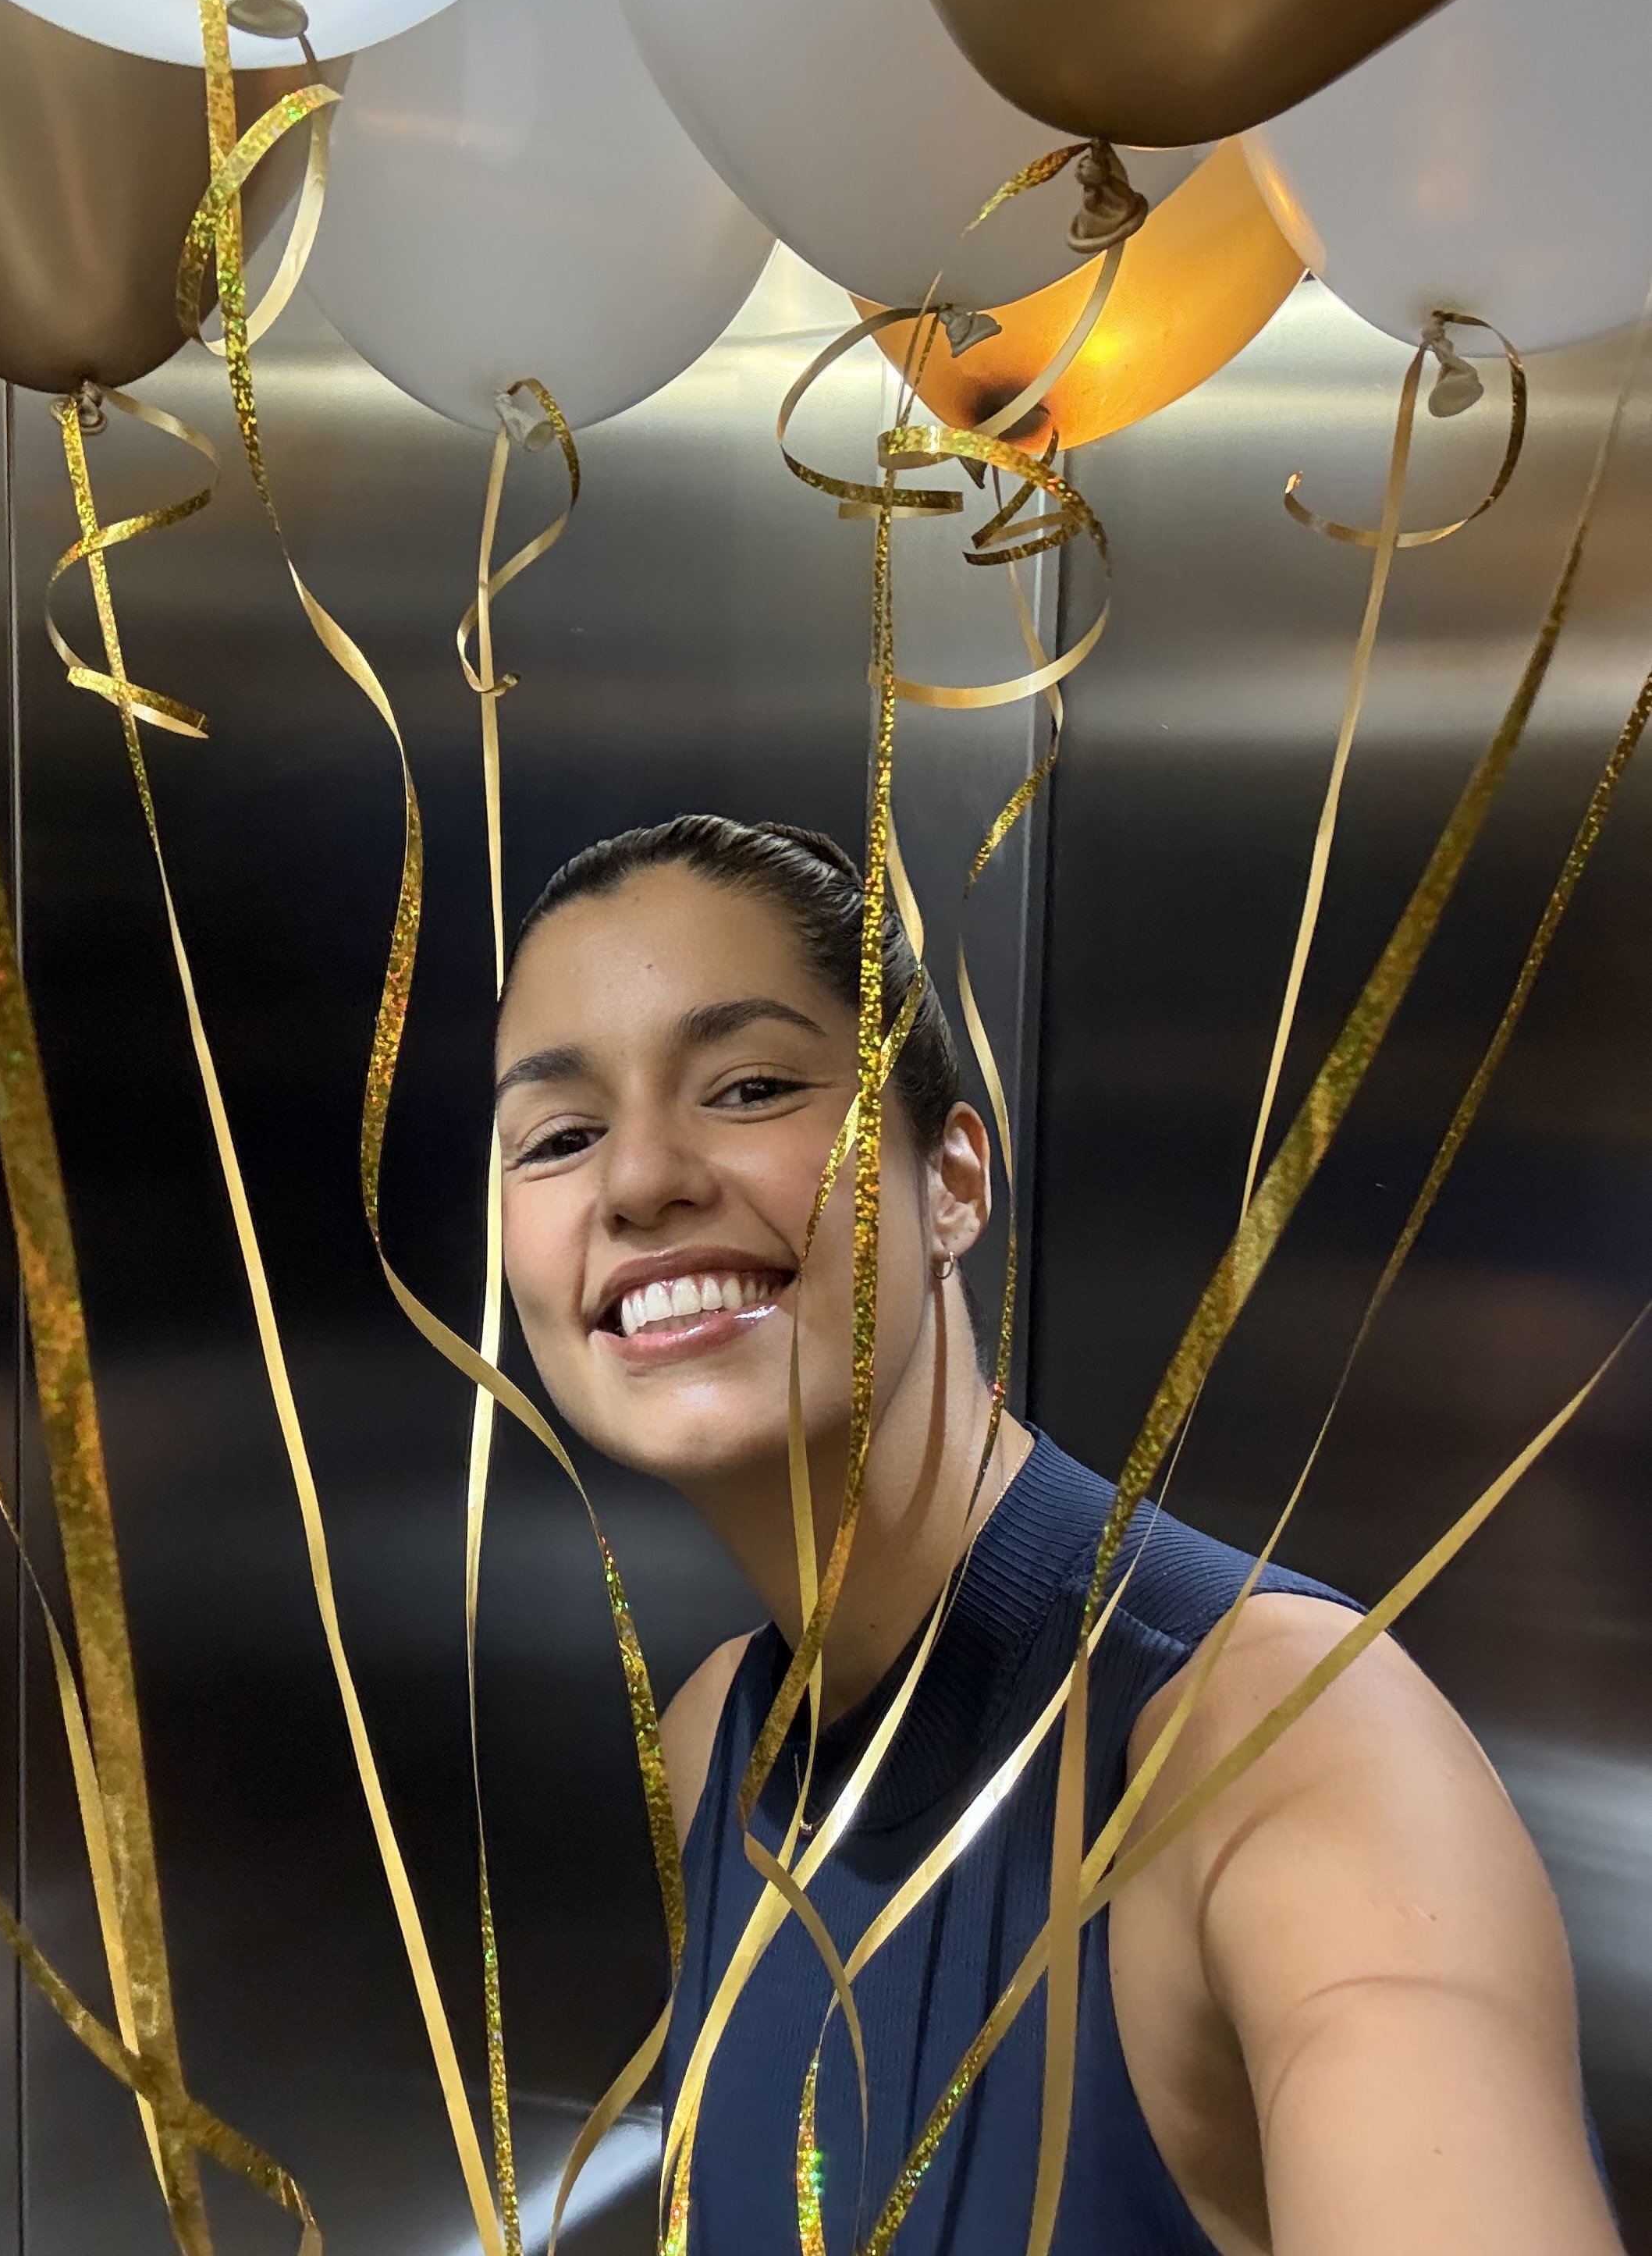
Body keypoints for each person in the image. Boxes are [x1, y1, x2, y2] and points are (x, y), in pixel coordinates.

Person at [492, 813, 1621, 2256]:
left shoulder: (1287, 1754)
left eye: (750, 1085)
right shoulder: (722, 1743)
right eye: (562, 1136)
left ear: (952, 1178)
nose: (638, 1181)